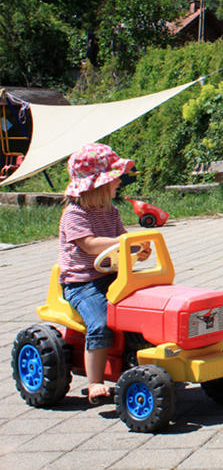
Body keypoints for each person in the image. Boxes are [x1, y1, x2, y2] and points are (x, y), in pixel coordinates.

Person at [59, 143, 150, 404]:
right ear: (97, 185)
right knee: (100, 323)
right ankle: (95, 382)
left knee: (143, 306)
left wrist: (138, 250)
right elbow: (88, 244)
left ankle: (137, 356)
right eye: (113, 179)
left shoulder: (112, 212)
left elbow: (123, 240)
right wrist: (123, 243)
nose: (119, 182)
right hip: (82, 283)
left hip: (111, 275)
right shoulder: (74, 214)